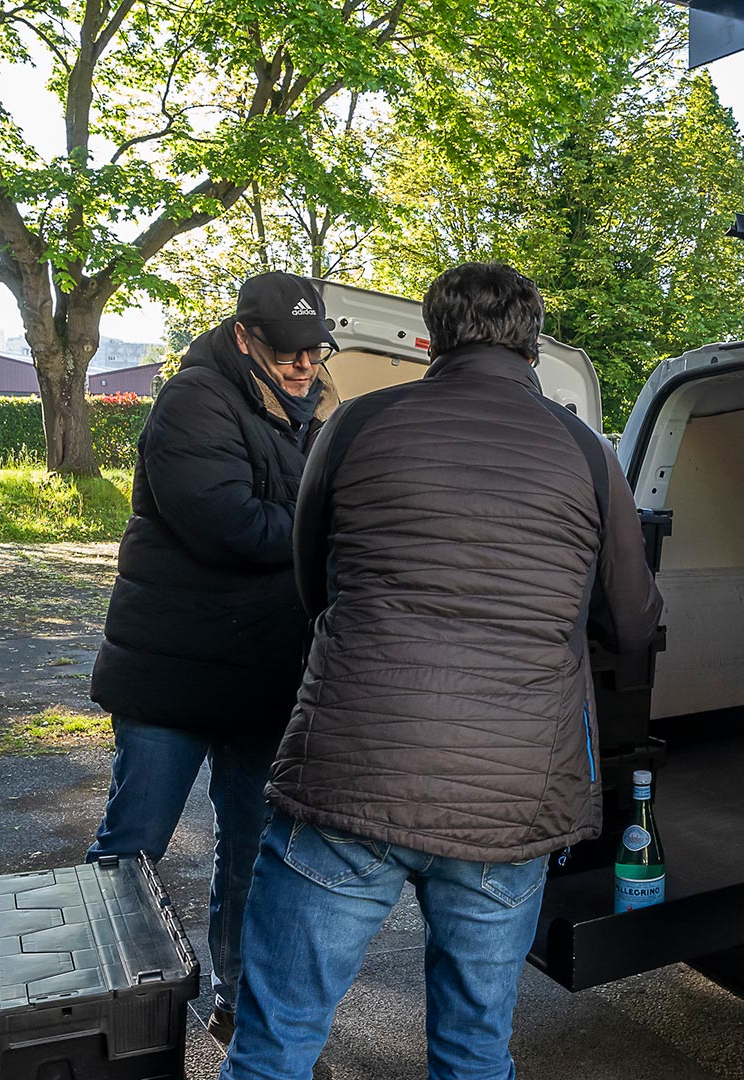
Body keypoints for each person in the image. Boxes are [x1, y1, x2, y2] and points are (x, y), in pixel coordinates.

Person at [218, 263, 663, 1080]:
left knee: (276, 1043)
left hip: (351, 772)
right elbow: (633, 624)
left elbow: (313, 583)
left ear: (434, 336)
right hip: (510, 797)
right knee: (472, 1052)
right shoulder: (587, 454)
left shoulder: (354, 425)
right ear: (533, 344)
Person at [86, 271, 339, 1048]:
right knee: (132, 851)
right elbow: (226, 522)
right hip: (172, 676)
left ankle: (236, 1007)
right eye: (287, 351)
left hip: (262, 677)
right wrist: (323, 527)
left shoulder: (309, 414)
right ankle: (99, 1016)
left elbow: (284, 519)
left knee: (250, 858)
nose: (303, 366)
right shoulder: (195, 397)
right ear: (243, 337)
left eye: (313, 351)